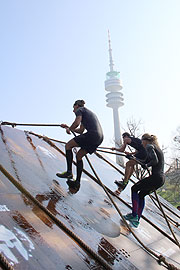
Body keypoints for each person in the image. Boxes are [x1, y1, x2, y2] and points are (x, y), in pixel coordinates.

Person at [56, 100, 103, 189]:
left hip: (92, 134)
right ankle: (77, 182)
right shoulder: (88, 113)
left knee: (68, 146)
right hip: (99, 138)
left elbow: (76, 123)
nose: (73, 111)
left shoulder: (80, 110)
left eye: (73, 108)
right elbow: (81, 130)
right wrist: (68, 127)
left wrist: (69, 129)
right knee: (79, 156)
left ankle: (69, 172)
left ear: (76, 106)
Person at [123, 133, 165, 227]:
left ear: (146, 140)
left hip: (155, 177)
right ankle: (136, 219)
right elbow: (145, 162)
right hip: (160, 180)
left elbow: (154, 161)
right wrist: (132, 157)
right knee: (141, 194)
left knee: (134, 188)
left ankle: (134, 215)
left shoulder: (150, 146)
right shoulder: (156, 148)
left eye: (142, 141)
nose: (142, 144)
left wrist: (147, 165)